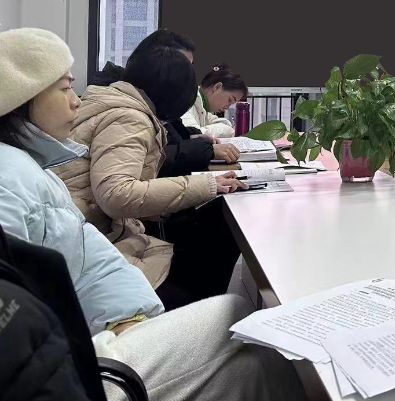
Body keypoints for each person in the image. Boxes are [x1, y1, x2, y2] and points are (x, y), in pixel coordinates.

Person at [0, 27, 307, 401]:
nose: (76, 101)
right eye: (65, 88)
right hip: (94, 352)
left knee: (249, 350)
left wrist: (133, 311)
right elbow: (115, 196)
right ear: (24, 98)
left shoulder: (35, 166)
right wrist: (121, 323)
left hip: (110, 312)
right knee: (243, 322)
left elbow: (80, 260)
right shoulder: (11, 178)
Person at [57, 44, 246, 308]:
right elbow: (117, 194)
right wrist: (206, 185)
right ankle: (200, 313)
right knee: (218, 227)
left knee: (212, 219)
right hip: (101, 244)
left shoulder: (111, 102)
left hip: (97, 235)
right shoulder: (129, 117)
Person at [90, 29, 241, 174]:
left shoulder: (153, 100)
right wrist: (205, 154)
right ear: (156, 60)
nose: (186, 74)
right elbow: (149, 162)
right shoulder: (126, 108)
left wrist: (192, 138)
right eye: (181, 66)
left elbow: (168, 140)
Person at [182, 64, 247, 139]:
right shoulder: (185, 101)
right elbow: (194, 136)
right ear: (217, 87)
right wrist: (226, 129)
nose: (227, 107)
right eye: (230, 100)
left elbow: (226, 124)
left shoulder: (203, 108)